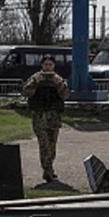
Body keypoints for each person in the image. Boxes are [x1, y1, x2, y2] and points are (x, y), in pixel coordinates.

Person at [23, 54, 70, 183]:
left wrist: (59, 84)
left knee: (52, 146)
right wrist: (35, 83)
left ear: (54, 66)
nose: (48, 67)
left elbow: (65, 95)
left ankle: (49, 168)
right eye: (46, 64)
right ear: (42, 65)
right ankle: (47, 171)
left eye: (50, 65)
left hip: (53, 118)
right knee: (44, 145)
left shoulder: (58, 79)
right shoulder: (35, 78)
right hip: (40, 117)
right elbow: (26, 92)